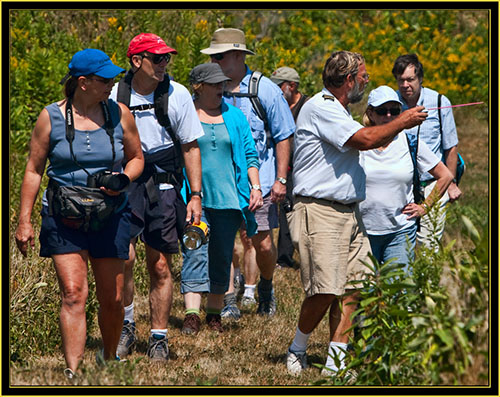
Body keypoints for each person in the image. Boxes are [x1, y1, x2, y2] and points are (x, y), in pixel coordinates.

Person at [285, 50, 428, 376]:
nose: (366, 80)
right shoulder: (321, 107)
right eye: (362, 76)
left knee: (355, 290)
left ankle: (335, 364)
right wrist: (403, 120)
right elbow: (363, 139)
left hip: (350, 213)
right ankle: (298, 347)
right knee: (324, 291)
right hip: (320, 211)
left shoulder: (340, 110)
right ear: (349, 80)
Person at [14, 49, 144, 379]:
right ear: (83, 83)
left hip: (110, 214)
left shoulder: (120, 115)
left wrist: (123, 178)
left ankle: (108, 357)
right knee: (73, 293)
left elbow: (137, 158)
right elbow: (33, 170)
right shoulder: (51, 117)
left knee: (113, 298)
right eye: (105, 80)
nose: (112, 85)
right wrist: (24, 220)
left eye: (114, 79)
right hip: (63, 215)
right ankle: (72, 372)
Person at [110, 33, 203, 361]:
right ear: (137, 61)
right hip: (126, 182)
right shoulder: (114, 94)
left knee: (160, 264)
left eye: (167, 58)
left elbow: (191, 146)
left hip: (163, 184)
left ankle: (159, 337)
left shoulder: (176, 94)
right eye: (158, 58)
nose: (165, 64)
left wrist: (195, 196)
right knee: (125, 258)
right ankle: (127, 324)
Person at [201, 28, 295, 318]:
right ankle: (228, 298)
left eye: (220, 56)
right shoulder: (208, 88)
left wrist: (280, 180)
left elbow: (283, 135)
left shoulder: (264, 89)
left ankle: (265, 286)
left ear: (239, 56)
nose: (215, 61)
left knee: (263, 243)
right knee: (223, 241)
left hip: (261, 182)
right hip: (220, 183)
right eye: (213, 56)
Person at [179, 63, 263, 334]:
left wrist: (256, 186)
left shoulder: (236, 116)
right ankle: (192, 314)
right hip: (196, 199)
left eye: (222, 84)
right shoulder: (186, 113)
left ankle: (214, 313)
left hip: (228, 201)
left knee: (221, 257)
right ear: (198, 87)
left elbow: (250, 155)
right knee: (193, 252)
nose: (221, 88)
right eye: (215, 84)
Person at [359, 85, 453, 272]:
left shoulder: (409, 141)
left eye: (394, 111)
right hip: (363, 231)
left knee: (400, 293)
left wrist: (425, 207)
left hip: (400, 231)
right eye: (382, 111)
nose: (388, 116)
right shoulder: (360, 141)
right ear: (370, 113)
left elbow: (445, 175)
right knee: (362, 293)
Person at [392, 54, 462, 251]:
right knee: (402, 242)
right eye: (400, 80)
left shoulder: (439, 101)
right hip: (402, 183)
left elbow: (450, 146)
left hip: (433, 182)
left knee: (428, 245)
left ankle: (427, 281)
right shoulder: (390, 106)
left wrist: (451, 182)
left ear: (420, 79)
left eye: (410, 79)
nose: (405, 85)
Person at [270, 66, 309, 269]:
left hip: (304, 168)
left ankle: (292, 256)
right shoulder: (278, 106)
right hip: (285, 167)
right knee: (285, 211)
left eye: (279, 86)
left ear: (292, 86)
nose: (276, 91)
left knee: (296, 210)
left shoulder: (307, 106)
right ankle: (284, 257)